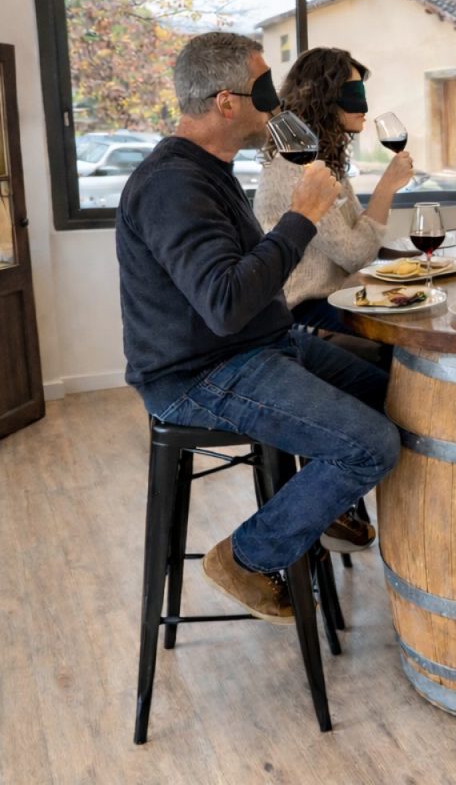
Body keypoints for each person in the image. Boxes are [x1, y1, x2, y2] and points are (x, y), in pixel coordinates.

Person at [116, 32, 400, 622]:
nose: (276, 104)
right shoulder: (172, 184)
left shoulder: (211, 170)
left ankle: (327, 510)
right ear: (226, 103)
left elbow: (243, 285)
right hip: (198, 374)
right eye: (264, 90)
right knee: (372, 443)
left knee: (401, 398)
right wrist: (303, 215)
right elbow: (225, 302)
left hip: (260, 345)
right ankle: (248, 558)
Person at [253, 47, 414, 335]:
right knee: (403, 330)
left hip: (333, 297)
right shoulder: (296, 167)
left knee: (416, 303)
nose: (364, 107)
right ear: (324, 100)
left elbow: (358, 240)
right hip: (300, 311)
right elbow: (355, 255)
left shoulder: (325, 161)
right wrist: (386, 187)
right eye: (353, 94)